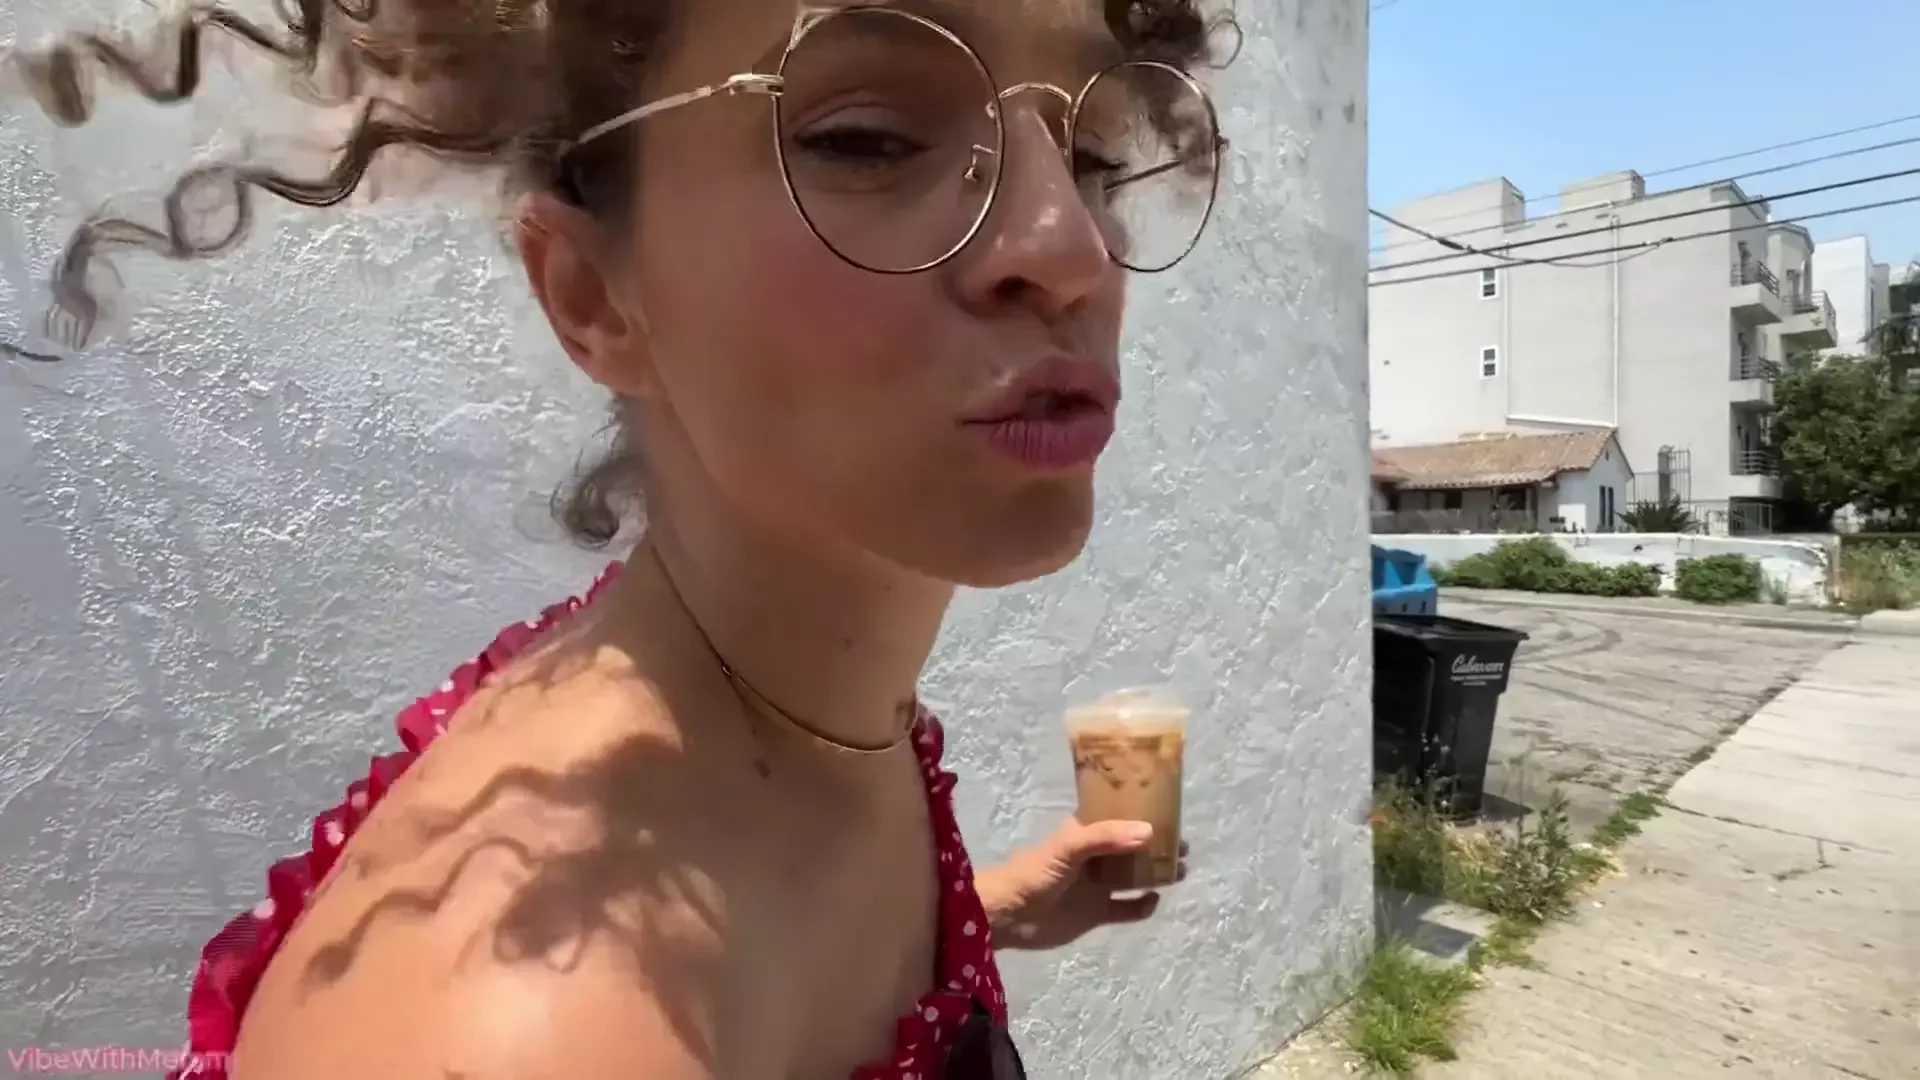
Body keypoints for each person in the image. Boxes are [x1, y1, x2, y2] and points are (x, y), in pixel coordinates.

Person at [11, 0, 1230, 1075]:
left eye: (1091, 152)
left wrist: (983, 913)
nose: (1072, 249)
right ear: (594, 296)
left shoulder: (786, 700)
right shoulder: (528, 1028)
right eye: (870, 138)